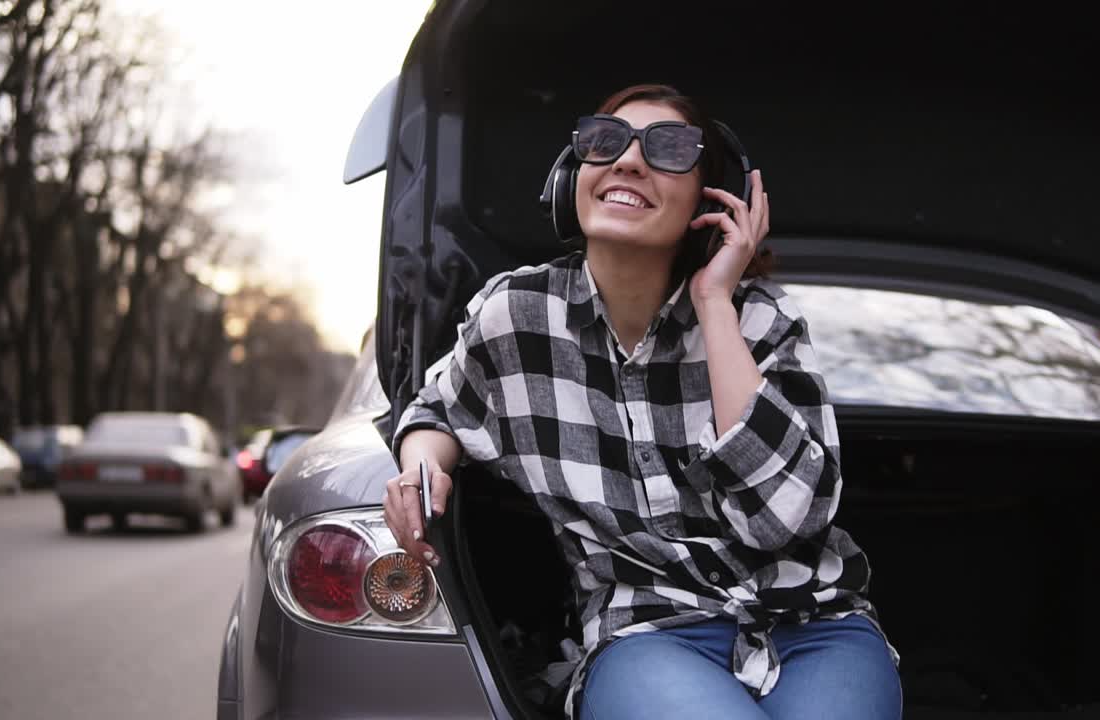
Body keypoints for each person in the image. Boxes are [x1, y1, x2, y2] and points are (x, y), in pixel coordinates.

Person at [383, 84, 901, 720]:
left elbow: (785, 520)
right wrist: (421, 466)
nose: (629, 161)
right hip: (648, 634)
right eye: (606, 141)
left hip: (812, 627)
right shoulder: (514, 317)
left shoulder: (762, 322)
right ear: (573, 175)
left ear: (708, 200)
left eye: (669, 149)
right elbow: (438, 408)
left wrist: (715, 302)